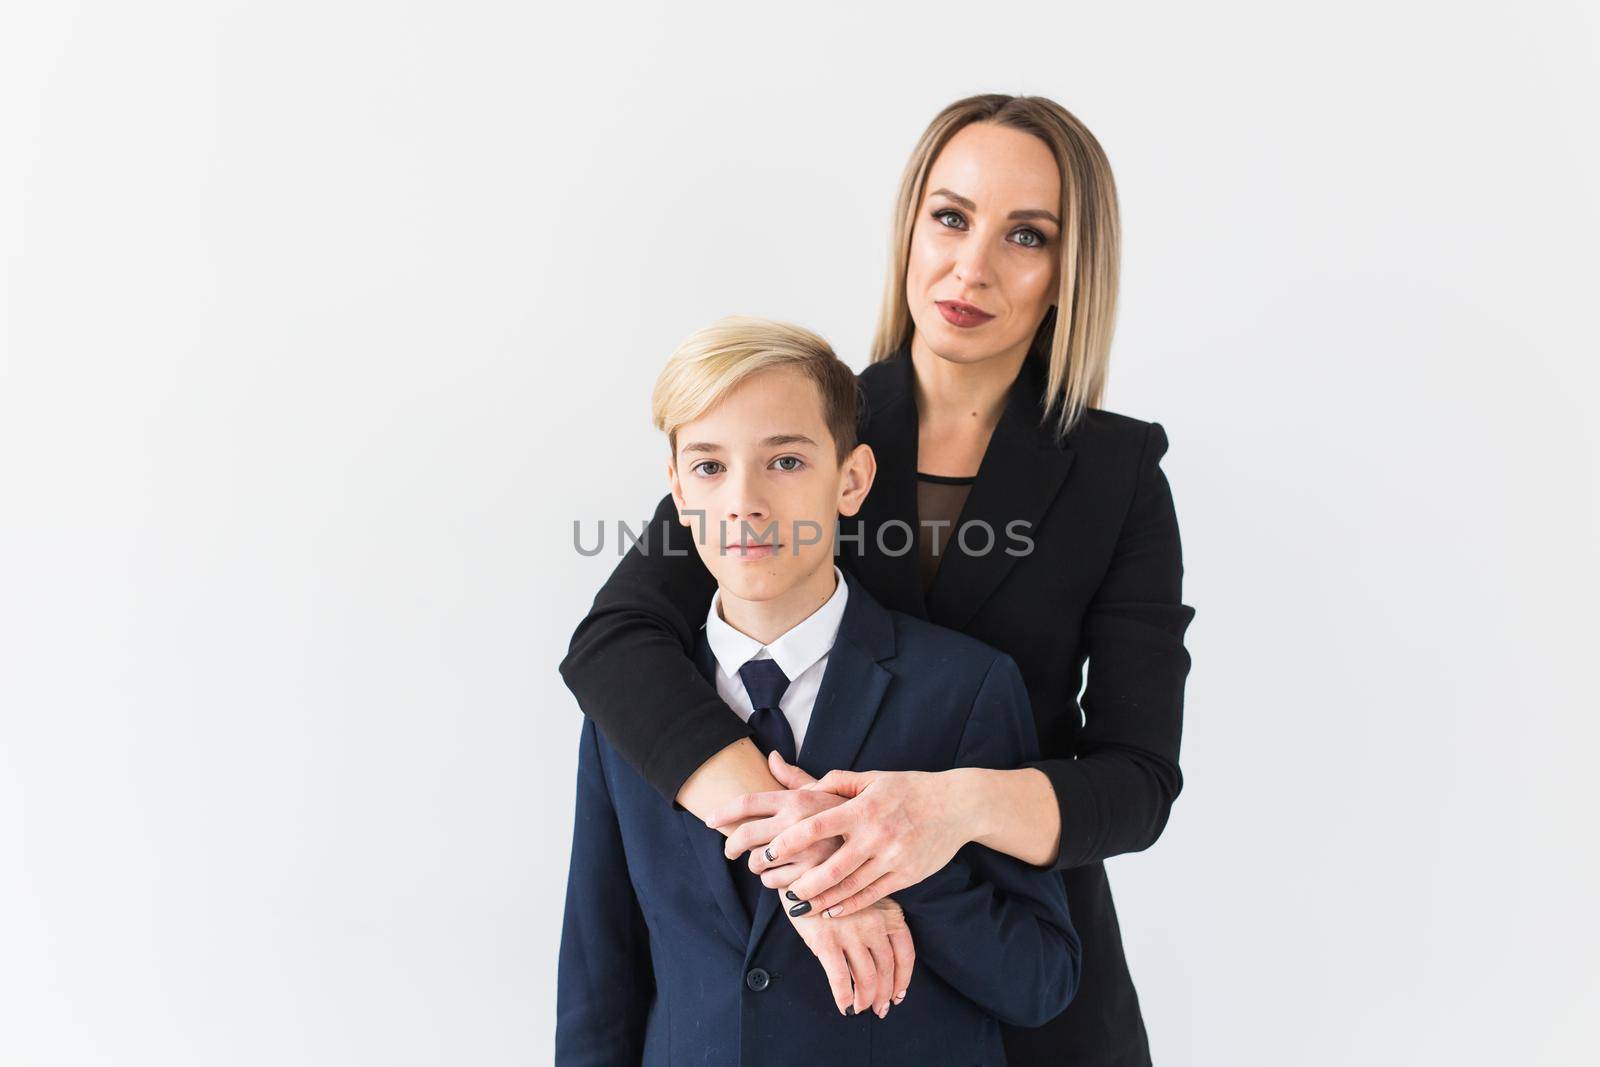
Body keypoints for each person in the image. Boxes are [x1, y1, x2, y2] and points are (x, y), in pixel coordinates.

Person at [560, 93, 1195, 1066]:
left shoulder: (1114, 480)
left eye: (1024, 235)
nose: (970, 265)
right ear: (909, 226)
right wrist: (806, 847)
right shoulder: (795, 429)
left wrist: (951, 809)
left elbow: (1137, 781)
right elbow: (615, 647)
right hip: (791, 984)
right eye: (950, 216)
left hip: (1023, 989)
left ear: (1069, 272)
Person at [555, 317, 1081, 1066]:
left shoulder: (965, 687)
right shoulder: (627, 713)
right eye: (709, 467)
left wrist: (883, 860)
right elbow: (597, 983)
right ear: (675, 488)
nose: (745, 502)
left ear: (852, 479)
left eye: (786, 461)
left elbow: (1041, 979)